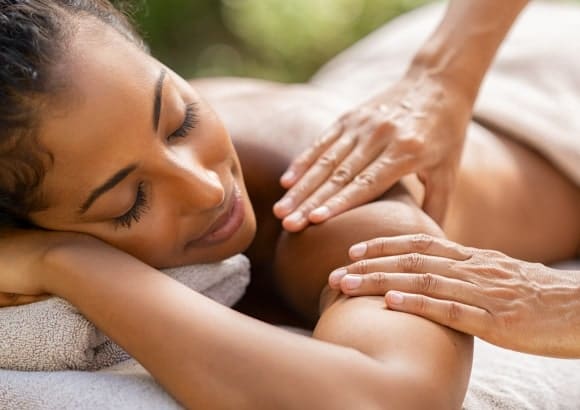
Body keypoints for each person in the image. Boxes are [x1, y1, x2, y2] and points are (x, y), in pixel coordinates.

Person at [0, 1, 577, 409]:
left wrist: (65, 260)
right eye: (130, 201)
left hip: (549, 86)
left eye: (182, 120)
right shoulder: (84, 130)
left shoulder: (329, 205)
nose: (206, 188)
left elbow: (392, 396)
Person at [272, 0, 580, 358]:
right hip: (419, 59)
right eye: (185, 123)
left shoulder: (363, 224)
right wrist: (438, 77)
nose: (209, 188)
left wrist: (567, 306)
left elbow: (383, 392)